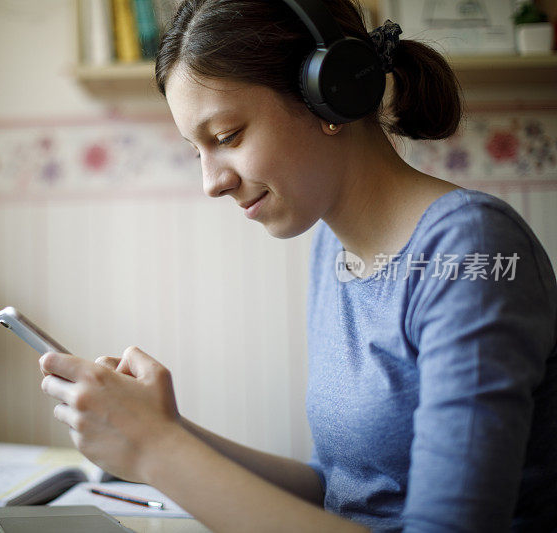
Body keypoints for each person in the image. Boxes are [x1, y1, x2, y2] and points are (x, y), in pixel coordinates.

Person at [38, 0, 557, 531]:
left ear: (327, 98)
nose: (211, 182)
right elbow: (336, 487)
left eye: (226, 137)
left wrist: (158, 450)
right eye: (198, 152)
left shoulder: (472, 251)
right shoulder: (336, 250)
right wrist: (164, 429)